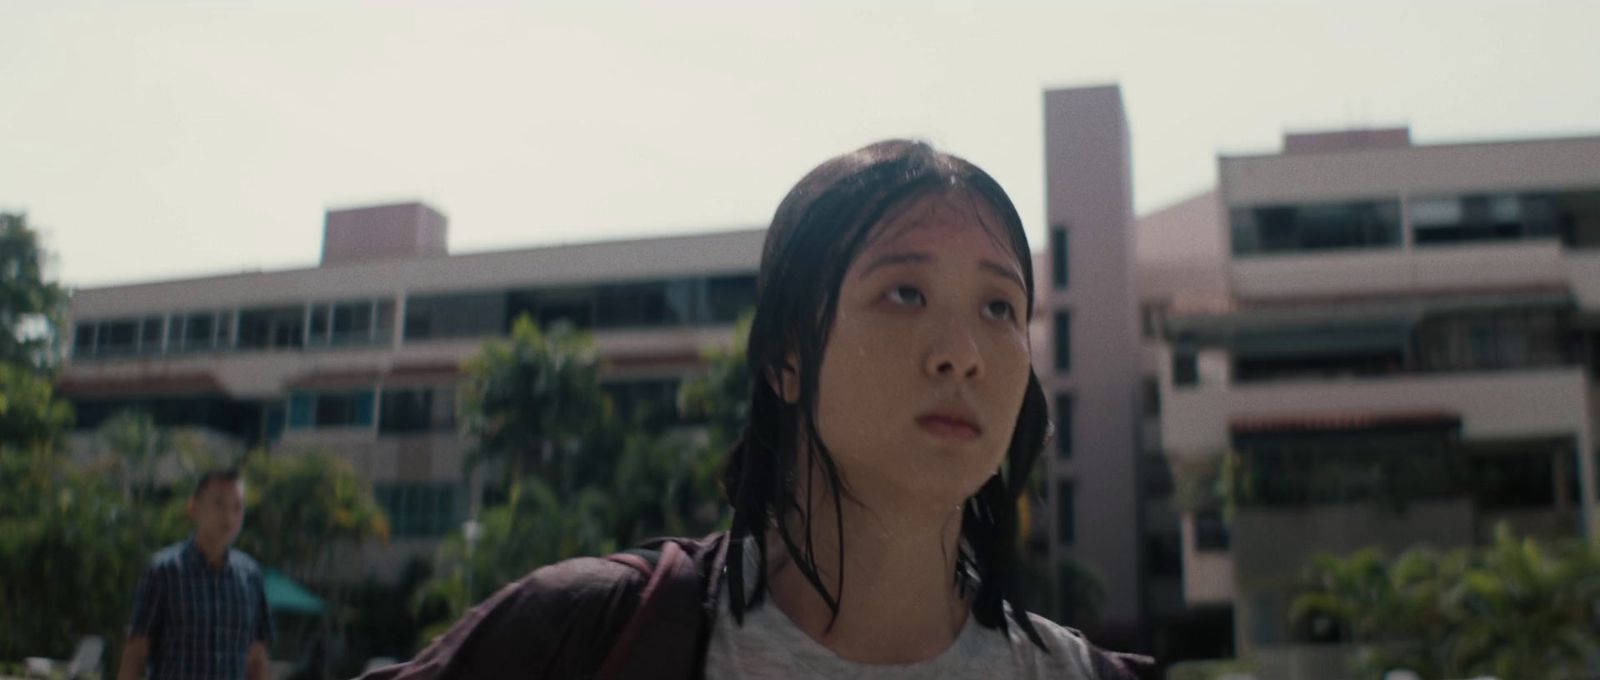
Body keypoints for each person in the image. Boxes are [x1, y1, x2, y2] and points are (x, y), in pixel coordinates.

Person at [362, 140, 1155, 679]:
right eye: (904, 292)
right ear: (784, 356)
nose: (963, 351)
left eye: (999, 308)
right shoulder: (591, 634)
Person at [118, 468, 274, 680]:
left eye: (237, 507)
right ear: (194, 508)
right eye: (219, 504)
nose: (229, 517)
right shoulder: (165, 572)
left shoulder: (250, 576)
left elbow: (257, 657)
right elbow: (136, 652)